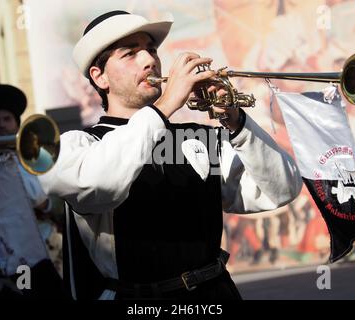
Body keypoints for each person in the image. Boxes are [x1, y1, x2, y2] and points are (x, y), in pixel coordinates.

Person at [39, 10, 303, 300]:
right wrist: (164, 106)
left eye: (151, 50)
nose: (150, 60)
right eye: (130, 54)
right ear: (99, 77)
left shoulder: (197, 140)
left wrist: (236, 120)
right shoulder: (79, 145)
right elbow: (102, 185)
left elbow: (281, 190)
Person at [0, 84, 63, 276]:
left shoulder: (36, 156)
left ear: (17, 123)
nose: (1, 124)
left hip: (47, 243)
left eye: (7, 119)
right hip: (6, 249)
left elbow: (60, 197)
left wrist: (47, 204)